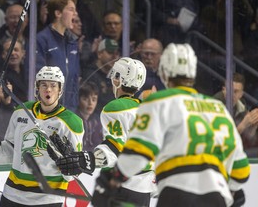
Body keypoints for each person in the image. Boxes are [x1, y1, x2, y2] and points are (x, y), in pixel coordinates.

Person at [95, 43, 250, 207]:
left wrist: (111, 180)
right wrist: (232, 190)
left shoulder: (159, 103)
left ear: (163, 73)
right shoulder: (218, 108)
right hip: (216, 199)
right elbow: (241, 170)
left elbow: (139, 153)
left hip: (176, 195)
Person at [0, 66, 92, 206]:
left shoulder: (72, 123)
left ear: (60, 90)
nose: (48, 89)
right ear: (37, 87)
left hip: (47, 200)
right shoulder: (21, 111)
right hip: (12, 195)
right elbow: (11, 151)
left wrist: (69, 164)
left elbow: (72, 175)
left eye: (53, 85)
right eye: (44, 84)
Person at [91, 57, 156, 207]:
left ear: (119, 80)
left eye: (115, 76)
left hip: (122, 186)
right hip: (144, 190)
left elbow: (115, 148)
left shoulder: (115, 107)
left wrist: (88, 159)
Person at [36, 0, 80, 111]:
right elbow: (37, 77)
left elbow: (75, 79)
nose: (75, 14)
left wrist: (72, 109)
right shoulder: (41, 40)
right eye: (71, 10)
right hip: (47, 111)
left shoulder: (72, 42)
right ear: (58, 13)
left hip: (68, 111)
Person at [213, 72, 258, 157]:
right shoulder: (215, 105)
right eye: (229, 90)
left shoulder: (241, 105)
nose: (232, 94)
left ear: (241, 94)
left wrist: (253, 126)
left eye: (236, 91)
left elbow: (246, 139)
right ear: (223, 90)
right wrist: (243, 124)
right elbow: (223, 140)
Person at [81, 38, 120, 113]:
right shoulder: (90, 74)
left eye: (117, 53)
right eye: (110, 53)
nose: (114, 57)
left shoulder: (117, 75)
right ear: (99, 54)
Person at [75, 81, 103, 152]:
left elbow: (98, 143)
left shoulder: (97, 121)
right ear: (78, 99)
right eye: (85, 99)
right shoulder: (74, 119)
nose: (90, 103)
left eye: (94, 99)